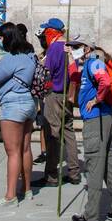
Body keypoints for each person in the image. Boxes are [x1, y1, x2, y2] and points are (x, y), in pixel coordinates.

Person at [0, 22, 38, 207]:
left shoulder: (11, 59)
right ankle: (27, 189)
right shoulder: (30, 56)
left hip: (13, 105)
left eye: (1, 37)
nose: (0, 40)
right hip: (28, 102)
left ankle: (10, 195)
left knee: (12, 152)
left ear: (8, 38)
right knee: (25, 148)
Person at [72, 46, 112, 221]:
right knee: (110, 164)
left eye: (75, 47)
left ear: (86, 48)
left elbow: (104, 81)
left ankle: (91, 216)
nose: (72, 50)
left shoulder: (94, 61)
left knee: (94, 165)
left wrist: (96, 100)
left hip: (97, 120)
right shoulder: (89, 63)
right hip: (104, 119)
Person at [38, 17, 81, 187]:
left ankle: (51, 175)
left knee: (53, 135)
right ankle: (74, 171)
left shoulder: (54, 48)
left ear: (50, 32)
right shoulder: (70, 47)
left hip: (54, 95)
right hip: (68, 95)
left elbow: (47, 72)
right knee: (69, 132)